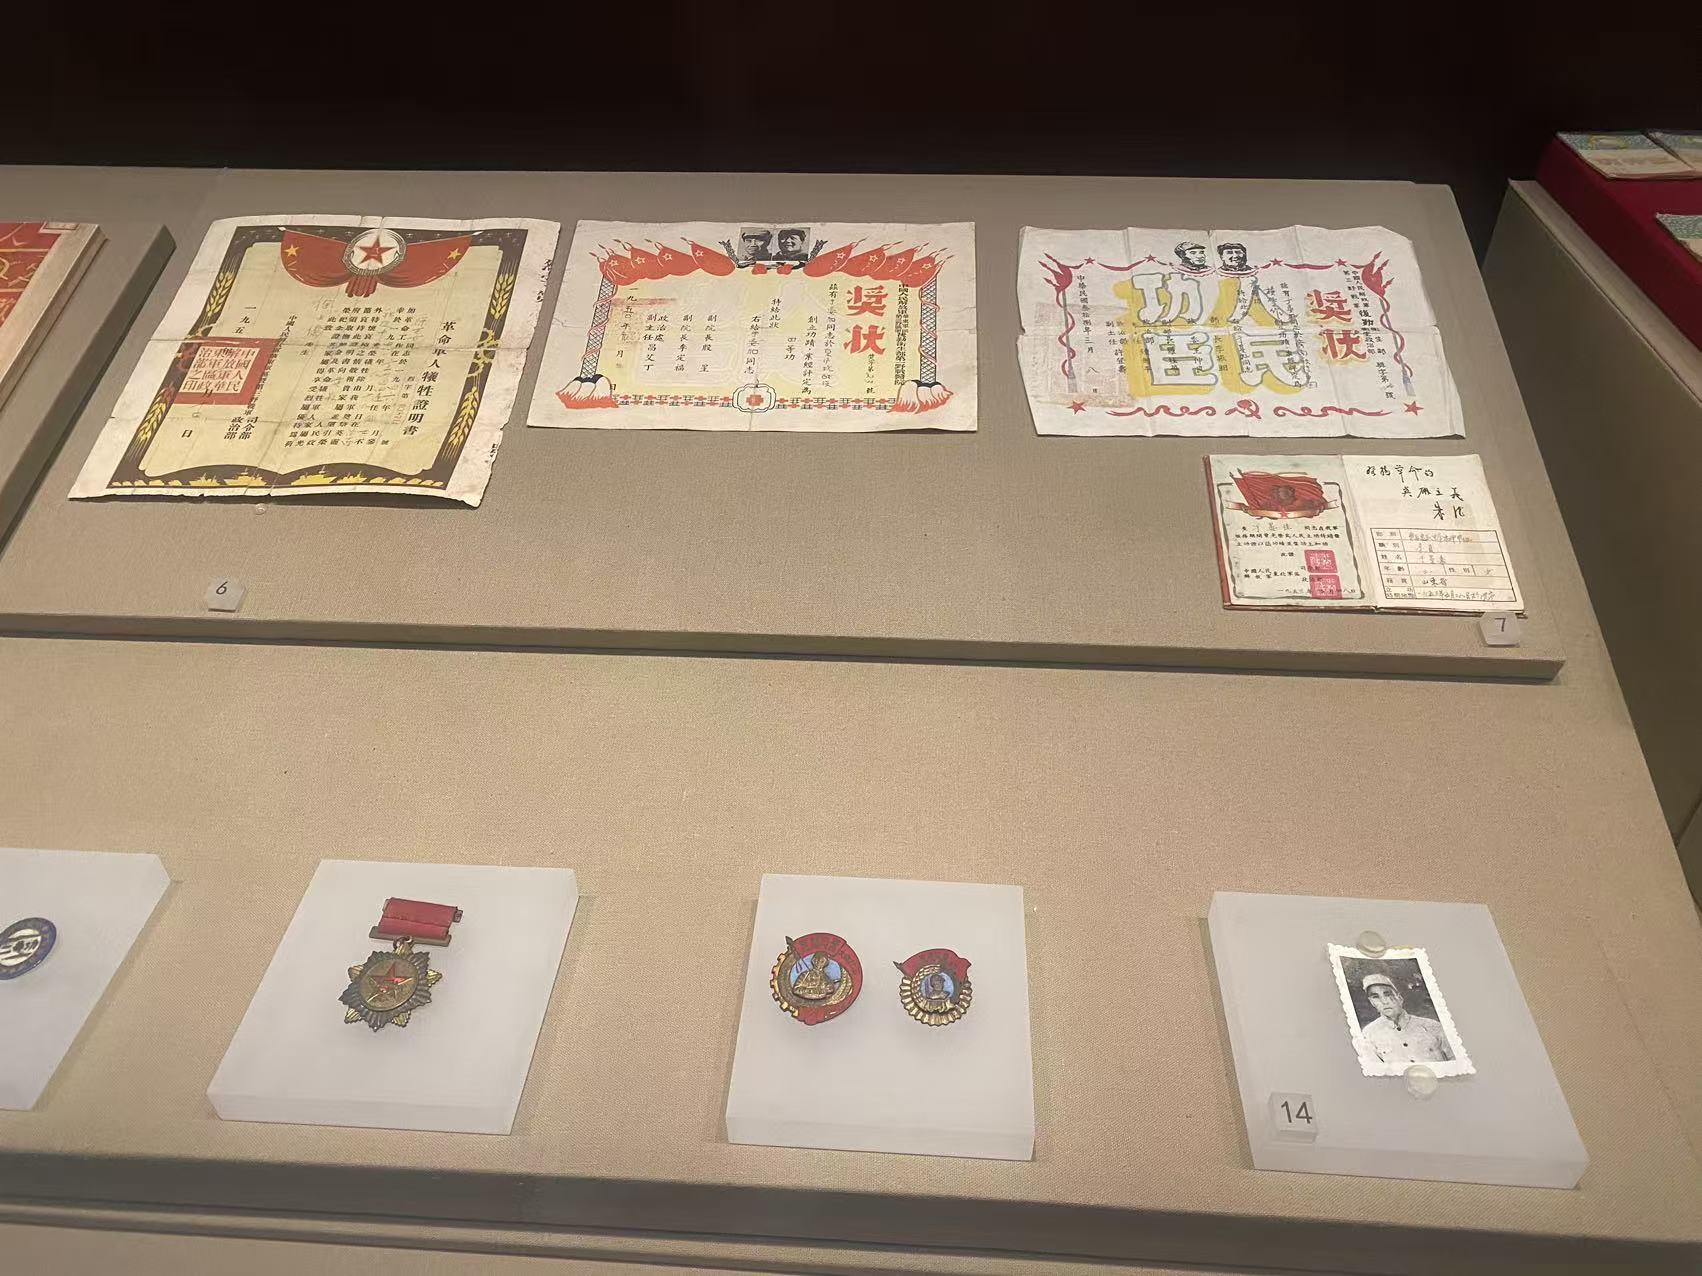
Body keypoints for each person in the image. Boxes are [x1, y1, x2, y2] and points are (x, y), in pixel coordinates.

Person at [1360, 972, 1454, 1064]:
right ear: (1372, 1002)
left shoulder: (1432, 1026)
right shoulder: (1369, 1034)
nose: (1384, 1001)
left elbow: (1455, 1060)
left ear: (1399, 998)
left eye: (1388, 994)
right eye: (1375, 997)